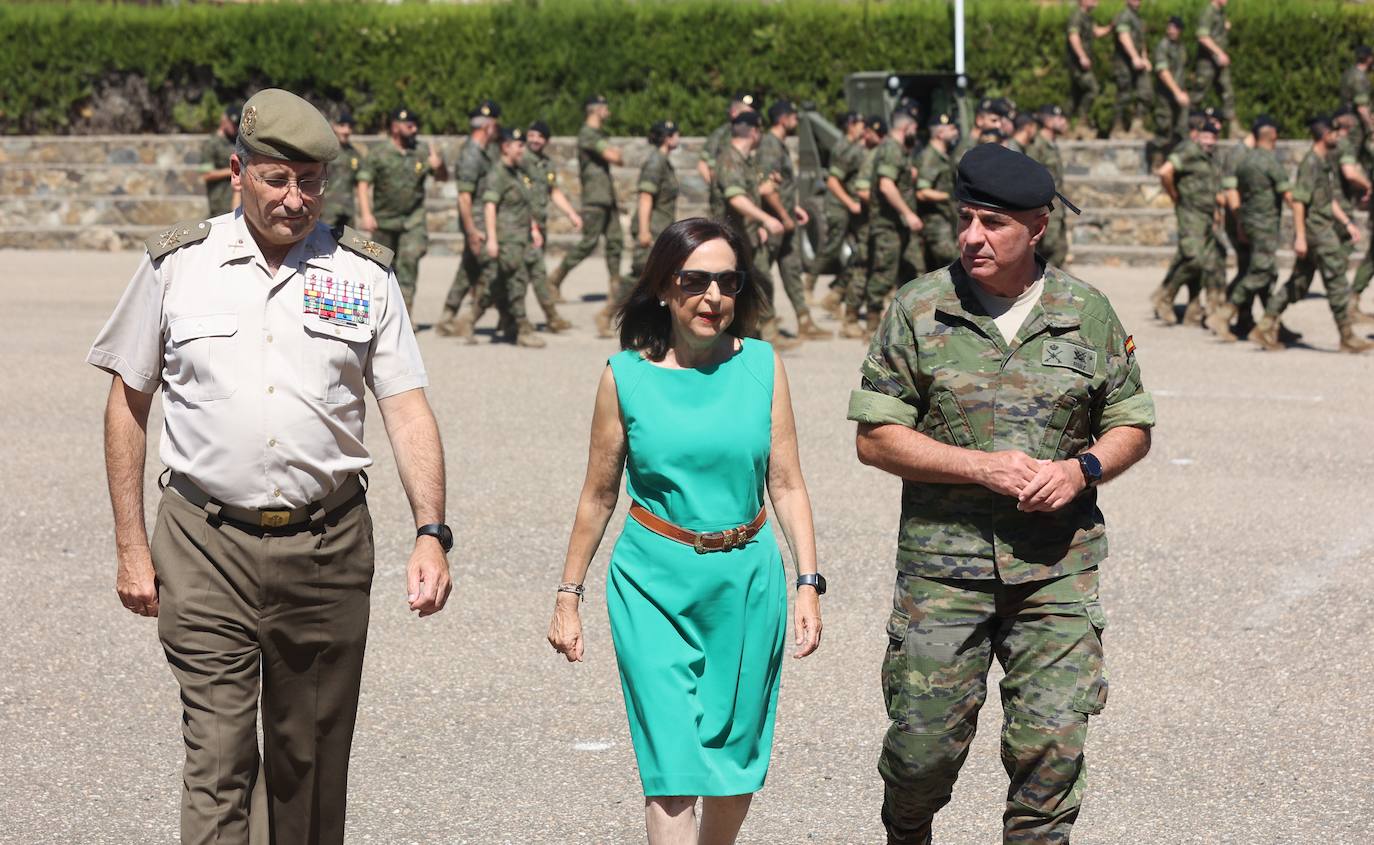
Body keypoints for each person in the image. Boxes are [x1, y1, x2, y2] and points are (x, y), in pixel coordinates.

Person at [87, 88, 453, 845]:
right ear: (237, 172)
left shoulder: (362, 275)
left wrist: (431, 531)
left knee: (307, 765)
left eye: (310, 181)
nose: (295, 199)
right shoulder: (177, 266)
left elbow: (407, 408)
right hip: (203, 543)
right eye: (277, 179)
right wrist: (130, 545)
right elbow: (128, 403)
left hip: (326, 548)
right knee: (218, 760)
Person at [848, 142, 1153, 845]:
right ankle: (906, 831)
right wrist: (979, 467)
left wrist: (1082, 470)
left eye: (993, 223)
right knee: (922, 756)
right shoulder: (920, 307)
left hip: (1055, 570)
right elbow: (876, 437)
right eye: (966, 219)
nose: (972, 237)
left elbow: (1131, 424)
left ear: (1037, 227)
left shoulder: (1087, 311)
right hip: (943, 571)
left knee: (1051, 755)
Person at [547, 217, 823, 845]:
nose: (712, 297)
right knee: (672, 769)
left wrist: (808, 582)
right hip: (652, 584)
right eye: (695, 281)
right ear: (663, 287)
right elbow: (598, 494)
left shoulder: (763, 366)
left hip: (747, 583)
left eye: (727, 282)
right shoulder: (624, 377)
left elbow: (787, 484)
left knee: (733, 768)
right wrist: (568, 595)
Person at [1253, 116, 1373, 353]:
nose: (1339, 137)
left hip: (1322, 227)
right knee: (1337, 280)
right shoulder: (1310, 163)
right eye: (1335, 133)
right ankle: (1347, 337)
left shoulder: (1323, 161)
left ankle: (1265, 326)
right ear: (1326, 135)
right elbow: (1299, 202)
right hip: (1317, 231)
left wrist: (1347, 222)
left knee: (1298, 283)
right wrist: (1300, 237)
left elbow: (1326, 199)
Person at [711, 109, 795, 349]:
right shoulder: (729, 159)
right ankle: (752, 335)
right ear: (754, 132)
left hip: (745, 236)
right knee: (744, 285)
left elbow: (751, 194)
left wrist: (756, 225)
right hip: (729, 240)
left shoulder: (745, 160)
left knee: (759, 281)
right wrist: (766, 219)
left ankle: (763, 334)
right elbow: (736, 198)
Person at [456, 126, 547, 349]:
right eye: (519, 145)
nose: (523, 149)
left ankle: (470, 319)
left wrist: (533, 229)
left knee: (495, 286)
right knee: (517, 282)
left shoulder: (517, 172)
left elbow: (524, 206)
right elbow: (490, 207)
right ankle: (523, 330)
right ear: (506, 147)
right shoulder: (498, 174)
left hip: (521, 238)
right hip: (507, 240)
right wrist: (493, 240)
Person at [355, 106, 448, 314]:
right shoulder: (378, 153)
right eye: (409, 125)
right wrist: (366, 214)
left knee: (410, 260)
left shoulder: (421, 151)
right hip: (384, 221)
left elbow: (442, 178)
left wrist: (439, 165)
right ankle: (380, 315)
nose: (414, 129)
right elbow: (363, 183)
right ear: (395, 127)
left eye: (415, 125)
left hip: (413, 219)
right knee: (379, 267)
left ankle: (405, 316)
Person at [757, 100, 830, 341]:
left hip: (785, 220)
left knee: (792, 271)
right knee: (760, 275)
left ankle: (805, 321)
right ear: (782, 118)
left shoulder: (779, 145)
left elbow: (783, 185)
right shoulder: (769, 145)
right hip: (774, 223)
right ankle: (764, 329)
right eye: (793, 116)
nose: (796, 120)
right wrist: (784, 215)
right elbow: (766, 188)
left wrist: (793, 208)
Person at [1219, 115, 1294, 342]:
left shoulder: (1245, 160)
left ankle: (1268, 323)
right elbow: (1288, 195)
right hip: (1262, 226)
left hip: (1247, 223)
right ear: (1273, 136)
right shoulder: (1264, 160)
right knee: (1260, 271)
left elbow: (1237, 192)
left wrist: (1241, 223)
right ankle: (1224, 314)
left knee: (1262, 271)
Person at [548, 94, 625, 307]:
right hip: (595, 197)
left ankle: (616, 290)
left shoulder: (598, 134)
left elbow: (617, 158)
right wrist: (615, 153)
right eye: (605, 107)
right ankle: (554, 280)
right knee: (589, 242)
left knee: (615, 242)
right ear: (596, 110)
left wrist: (616, 154)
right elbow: (614, 157)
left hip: (606, 196)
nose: (608, 111)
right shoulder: (587, 134)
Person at [436, 101, 502, 336]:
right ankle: (471, 319)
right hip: (477, 223)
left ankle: (447, 317)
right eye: (495, 124)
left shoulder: (485, 151)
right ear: (487, 126)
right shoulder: (472, 154)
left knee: (468, 269)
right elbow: (464, 198)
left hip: (481, 221)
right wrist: (472, 231)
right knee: (496, 271)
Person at [1151, 118, 1223, 327]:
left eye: (1213, 137)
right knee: (1194, 259)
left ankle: (1196, 309)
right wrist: (1174, 195)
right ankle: (1165, 297)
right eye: (1206, 136)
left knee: (1206, 261)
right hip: (1190, 213)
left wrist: (1216, 213)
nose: (1209, 141)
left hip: (1206, 216)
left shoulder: (1210, 157)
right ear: (1198, 136)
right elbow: (1165, 172)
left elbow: (1211, 187)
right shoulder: (1189, 151)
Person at [862, 110, 924, 337]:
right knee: (884, 273)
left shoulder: (897, 149)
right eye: (914, 129)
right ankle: (871, 324)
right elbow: (886, 185)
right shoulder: (891, 149)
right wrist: (908, 214)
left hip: (898, 226)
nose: (915, 133)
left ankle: (907, 324)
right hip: (888, 225)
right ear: (906, 128)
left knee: (911, 271)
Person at [617, 119, 681, 334]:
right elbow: (645, 196)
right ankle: (612, 313)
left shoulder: (663, 161)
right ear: (667, 138)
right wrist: (644, 230)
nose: (678, 137)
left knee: (651, 275)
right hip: (652, 228)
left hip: (660, 227)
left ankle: (646, 322)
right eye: (675, 134)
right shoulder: (655, 162)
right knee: (641, 274)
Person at [524, 119, 583, 333]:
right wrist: (531, 226)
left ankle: (508, 318)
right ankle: (552, 318)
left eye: (539, 136)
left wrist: (571, 214)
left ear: (546, 141)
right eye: (531, 135)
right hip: (522, 226)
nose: (535, 140)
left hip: (538, 227)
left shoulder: (546, 164)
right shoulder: (521, 160)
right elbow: (519, 198)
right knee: (536, 273)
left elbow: (553, 191)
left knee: (523, 274)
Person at [816, 111, 867, 318]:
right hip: (842, 206)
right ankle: (815, 286)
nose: (863, 126)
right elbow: (834, 180)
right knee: (837, 248)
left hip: (854, 207)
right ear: (851, 124)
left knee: (860, 253)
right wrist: (851, 204)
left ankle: (836, 294)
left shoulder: (857, 146)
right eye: (861, 122)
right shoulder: (844, 148)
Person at [839, 116, 884, 339]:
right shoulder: (864, 154)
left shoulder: (876, 152)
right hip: (867, 220)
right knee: (863, 266)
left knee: (869, 266)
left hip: (873, 220)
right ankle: (850, 317)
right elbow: (857, 187)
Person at [914, 112, 961, 273]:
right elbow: (922, 192)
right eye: (952, 128)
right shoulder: (930, 157)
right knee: (951, 259)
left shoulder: (944, 155)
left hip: (947, 217)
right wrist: (949, 196)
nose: (956, 132)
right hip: (935, 222)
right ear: (940, 133)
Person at [1027, 104, 1071, 267]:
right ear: (1047, 120)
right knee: (1046, 250)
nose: (1063, 122)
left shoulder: (1052, 144)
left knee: (1059, 250)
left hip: (1056, 208)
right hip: (1045, 207)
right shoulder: (1037, 145)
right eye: (1059, 118)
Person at [698, 92, 757, 203]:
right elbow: (703, 165)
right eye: (746, 113)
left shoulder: (752, 133)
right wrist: (718, 189)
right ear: (734, 112)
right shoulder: (721, 134)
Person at [1066, 0, 1111, 139]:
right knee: (1092, 89)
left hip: (1083, 64)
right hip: (1077, 64)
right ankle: (1081, 122)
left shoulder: (1087, 17)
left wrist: (1111, 27)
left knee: (1075, 95)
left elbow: (1096, 32)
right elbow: (1073, 37)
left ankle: (1071, 127)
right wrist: (1082, 56)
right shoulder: (1077, 16)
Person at [1192, 0, 1238, 138]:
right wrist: (1219, 53)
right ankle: (1188, 127)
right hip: (1207, 62)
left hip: (1218, 62)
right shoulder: (1208, 12)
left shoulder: (1220, 12)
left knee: (1227, 92)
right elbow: (1202, 37)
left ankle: (1233, 129)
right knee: (1198, 95)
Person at [1111, 0, 1153, 140]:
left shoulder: (1137, 17)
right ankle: (1117, 129)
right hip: (1124, 63)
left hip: (1138, 62)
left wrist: (1144, 57)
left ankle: (1137, 127)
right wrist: (1134, 57)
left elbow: (1141, 40)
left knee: (1146, 92)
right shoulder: (1124, 15)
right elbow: (1123, 36)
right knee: (1124, 95)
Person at [1152, 16, 1191, 159]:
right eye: (1170, 27)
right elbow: (1163, 71)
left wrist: (1183, 90)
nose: (1172, 31)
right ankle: (1157, 162)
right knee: (1164, 128)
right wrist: (1177, 92)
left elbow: (1182, 71)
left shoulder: (1180, 47)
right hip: (1166, 95)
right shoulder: (1163, 46)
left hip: (1179, 93)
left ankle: (1177, 161)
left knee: (1181, 129)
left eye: (1175, 28)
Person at [200, 104, 241, 217]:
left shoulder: (238, 142)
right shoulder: (212, 144)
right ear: (224, 119)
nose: (234, 127)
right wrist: (235, 170)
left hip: (239, 201)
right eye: (232, 123)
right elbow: (206, 174)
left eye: (236, 124)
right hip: (220, 203)